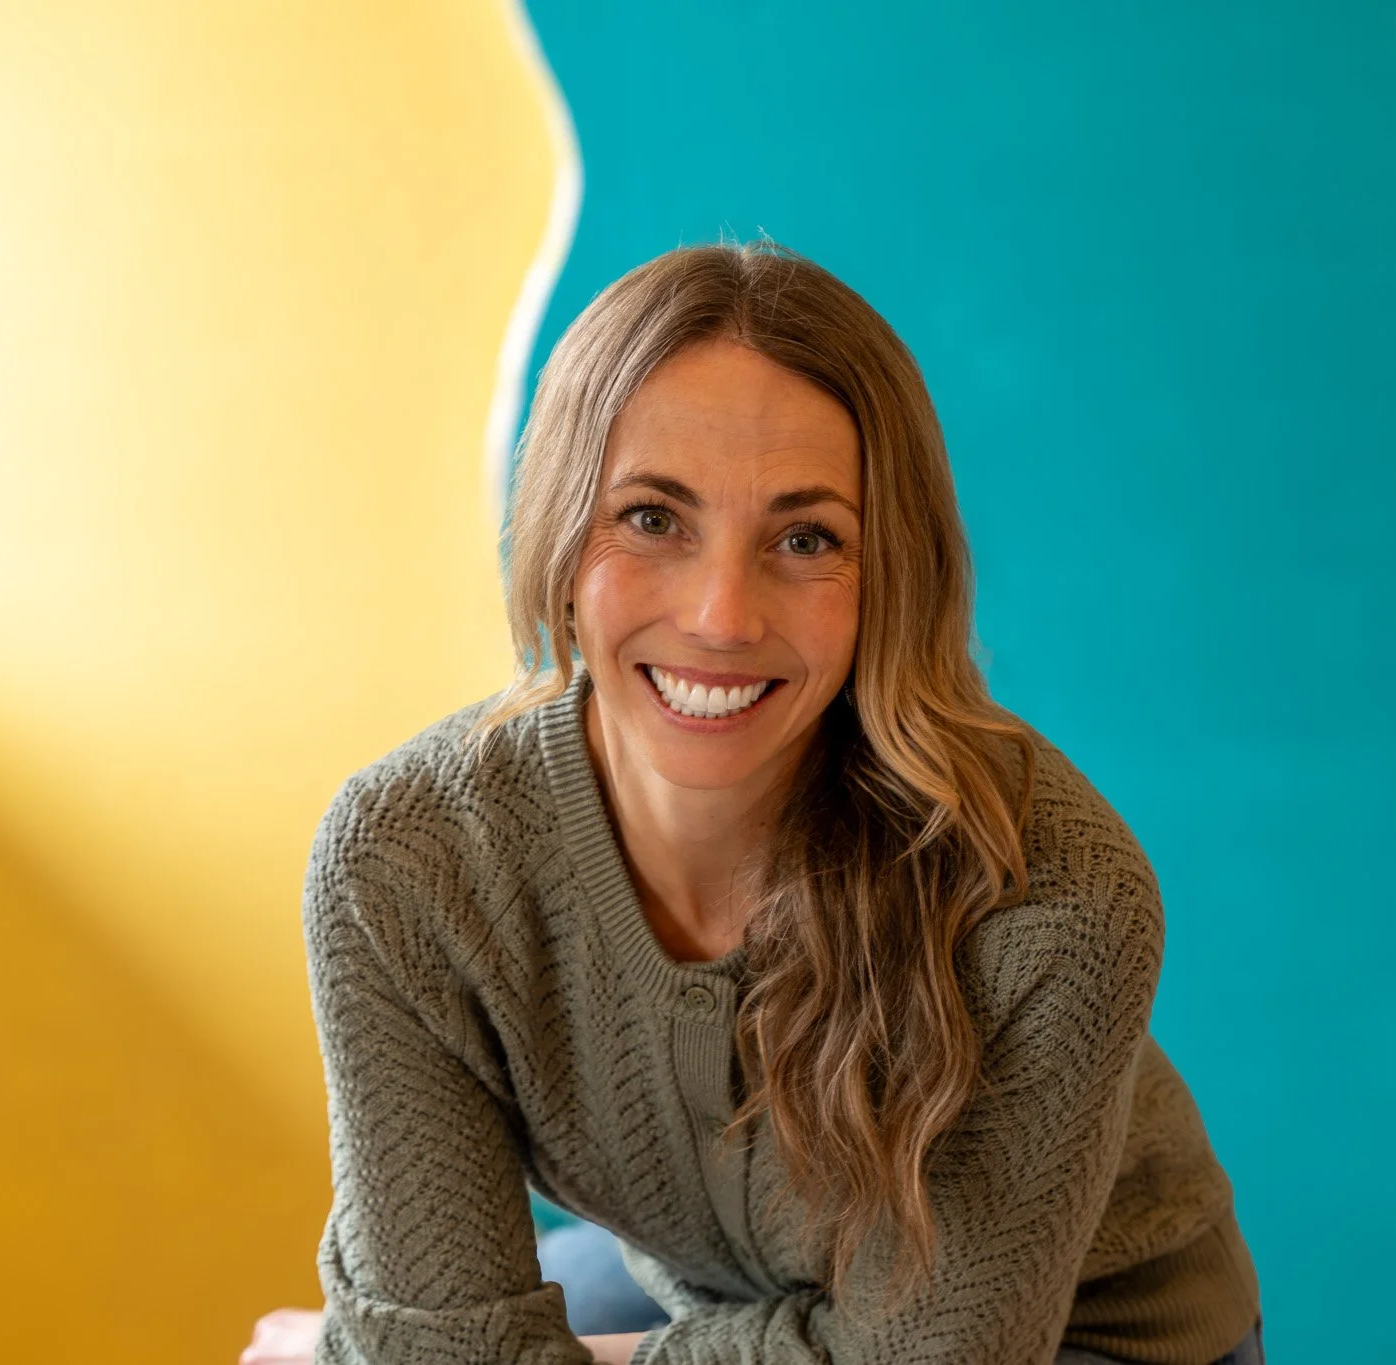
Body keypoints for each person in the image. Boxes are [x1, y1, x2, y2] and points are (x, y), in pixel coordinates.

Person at [239, 240, 1265, 1365]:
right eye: (650, 518)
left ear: (890, 579)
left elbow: (929, 1359)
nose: (722, 615)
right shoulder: (407, 858)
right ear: (555, 528)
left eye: (805, 538)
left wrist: (577, 1356)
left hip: (1076, 1333)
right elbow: (436, 1349)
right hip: (712, 1290)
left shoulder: (1047, 895)